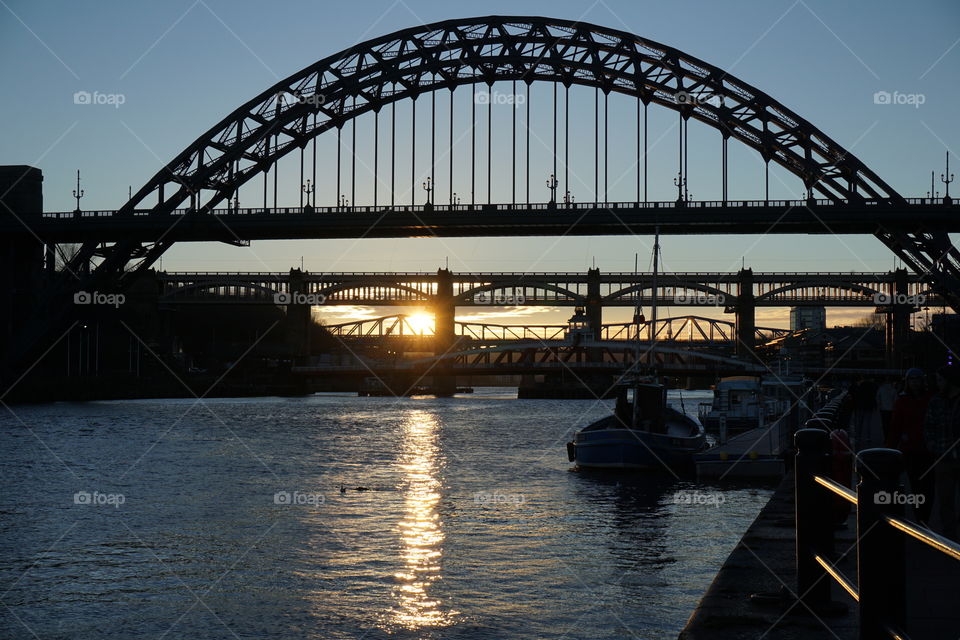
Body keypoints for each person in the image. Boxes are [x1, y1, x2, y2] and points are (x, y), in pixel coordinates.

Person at [887, 368, 934, 524]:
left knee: (928, 485)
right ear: (907, 382)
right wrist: (890, 448)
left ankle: (925, 515)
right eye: (912, 380)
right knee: (915, 484)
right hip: (910, 449)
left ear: (923, 381)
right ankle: (920, 517)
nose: (915, 383)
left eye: (917, 379)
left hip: (929, 449)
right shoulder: (902, 401)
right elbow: (896, 426)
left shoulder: (931, 399)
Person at [923, 365, 960, 539]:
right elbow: (928, 427)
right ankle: (950, 537)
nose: (937, 384)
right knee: (945, 500)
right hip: (943, 457)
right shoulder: (935, 401)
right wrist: (935, 448)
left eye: (940, 380)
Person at [876, 377, 898, 442]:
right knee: (891, 424)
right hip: (891, 409)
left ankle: (886, 438)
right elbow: (896, 400)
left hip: (883, 409)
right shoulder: (893, 390)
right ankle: (890, 437)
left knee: (885, 424)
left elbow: (877, 398)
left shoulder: (881, 389)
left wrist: (879, 406)